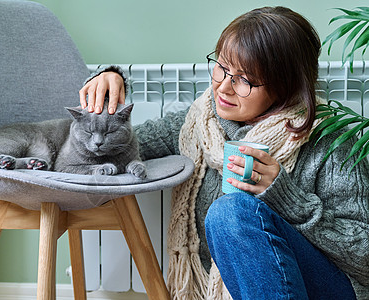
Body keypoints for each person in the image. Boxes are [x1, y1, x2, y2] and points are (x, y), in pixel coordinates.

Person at [79, 6, 369, 300]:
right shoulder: (201, 122)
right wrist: (110, 83)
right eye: (222, 67)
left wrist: (287, 199)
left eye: (245, 80)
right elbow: (112, 150)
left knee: (231, 212)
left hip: (330, 289)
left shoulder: (329, 138)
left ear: (285, 87)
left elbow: (365, 256)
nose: (223, 87)